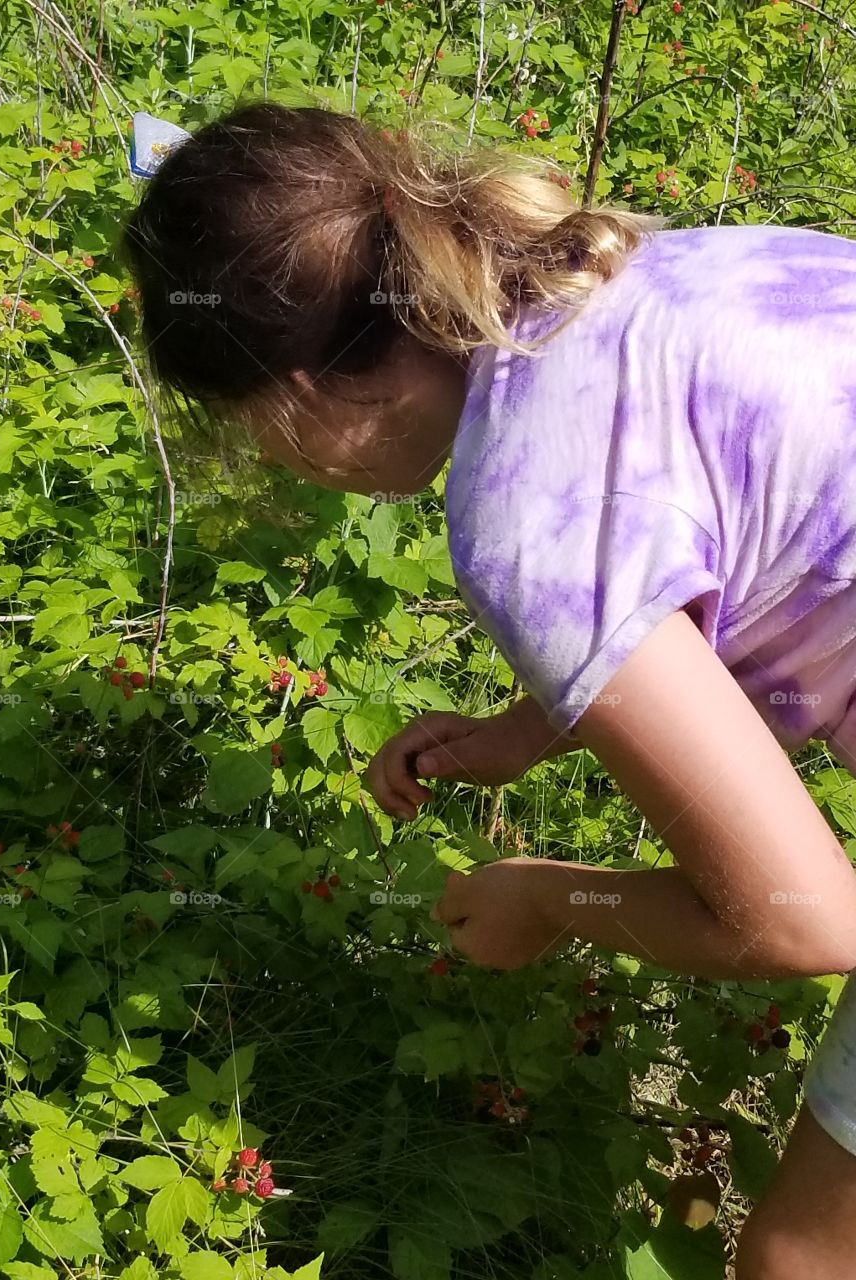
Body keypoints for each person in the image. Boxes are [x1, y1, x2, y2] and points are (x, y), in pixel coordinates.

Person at [121, 99, 856, 1278]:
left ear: (309, 393)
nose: (272, 461)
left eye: (254, 429)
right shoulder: (625, 271)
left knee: (802, 1257)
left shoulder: (523, 519)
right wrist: (528, 730)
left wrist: (551, 899)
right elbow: (730, 551)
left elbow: (808, 918)